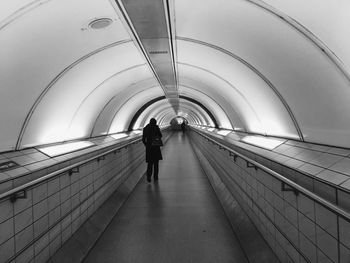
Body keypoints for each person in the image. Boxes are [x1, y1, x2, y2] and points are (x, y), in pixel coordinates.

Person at [142, 118, 163, 182]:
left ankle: (149, 176)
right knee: (156, 163)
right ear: (155, 122)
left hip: (149, 148)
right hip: (156, 147)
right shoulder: (156, 127)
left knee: (150, 163)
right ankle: (155, 177)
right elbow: (160, 135)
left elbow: (143, 139)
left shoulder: (146, 128)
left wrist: (147, 145)